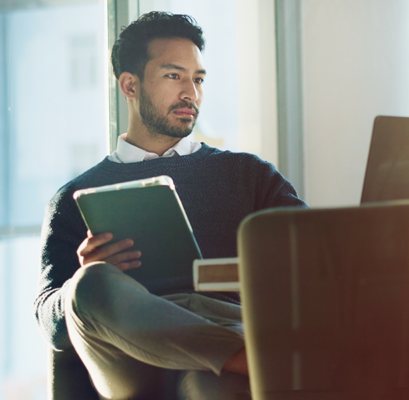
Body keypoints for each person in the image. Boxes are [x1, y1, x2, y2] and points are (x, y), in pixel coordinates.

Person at [34, 11, 307, 400]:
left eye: (198, 79)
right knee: (89, 284)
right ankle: (249, 357)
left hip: (229, 326)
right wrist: (86, 272)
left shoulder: (250, 175)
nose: (191, 94)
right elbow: (51, 319)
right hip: (131, 354)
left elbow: (315, 261)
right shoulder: (72, 199)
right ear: (130, 85)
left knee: (213, 384)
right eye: (174, 76)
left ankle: (235, 357)